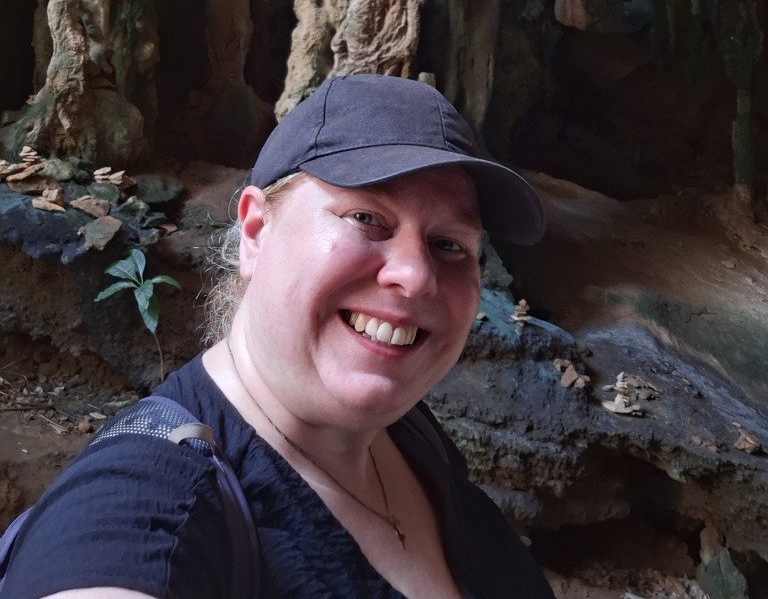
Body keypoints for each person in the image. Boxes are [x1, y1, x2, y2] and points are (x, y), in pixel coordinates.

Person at [6, 73, 555, 599]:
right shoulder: (148, 502)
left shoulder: (410, 435)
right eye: (367, 218)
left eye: (449, 244)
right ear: (255, 231)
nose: (415, 275)